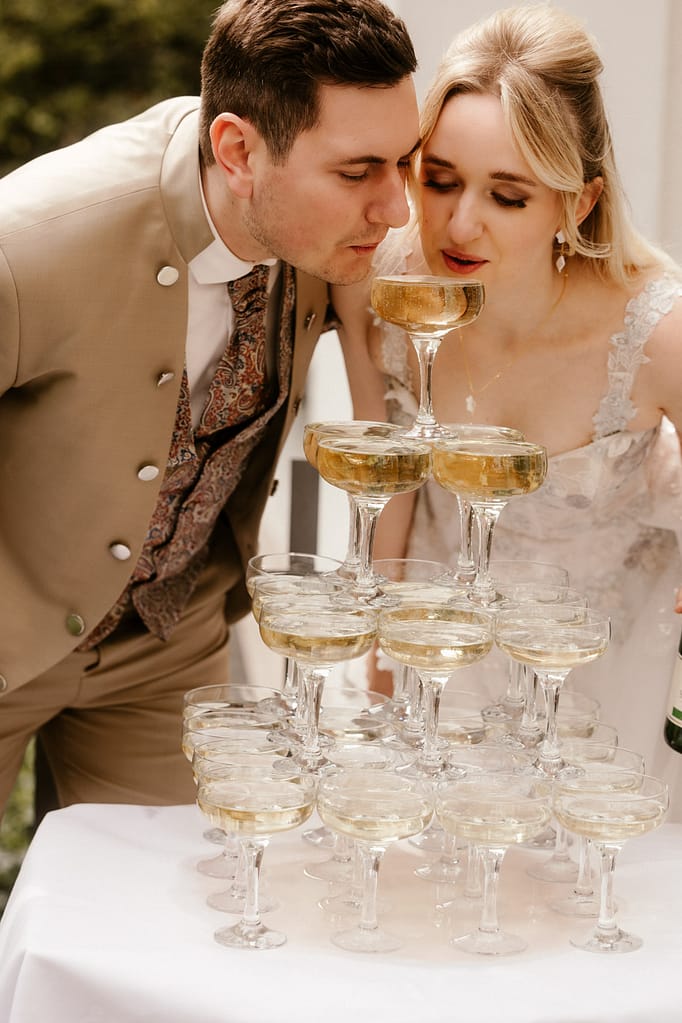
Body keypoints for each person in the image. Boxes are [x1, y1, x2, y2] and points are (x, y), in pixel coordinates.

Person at [0, 0, 420, 815]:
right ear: (237, 151)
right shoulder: (35, 239)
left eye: (404, 161)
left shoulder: (333, 240)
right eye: (357, 169)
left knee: (160, 921)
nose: (396, 207)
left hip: (169, 645)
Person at [334, 4, 682, 816]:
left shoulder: (658, 333)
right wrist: (381, 655)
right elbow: (384, 487)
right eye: (441, 178)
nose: (459, 223)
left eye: (509, 196)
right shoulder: (379, 290)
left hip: (608, 681)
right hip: (439, 662)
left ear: (579, 200)